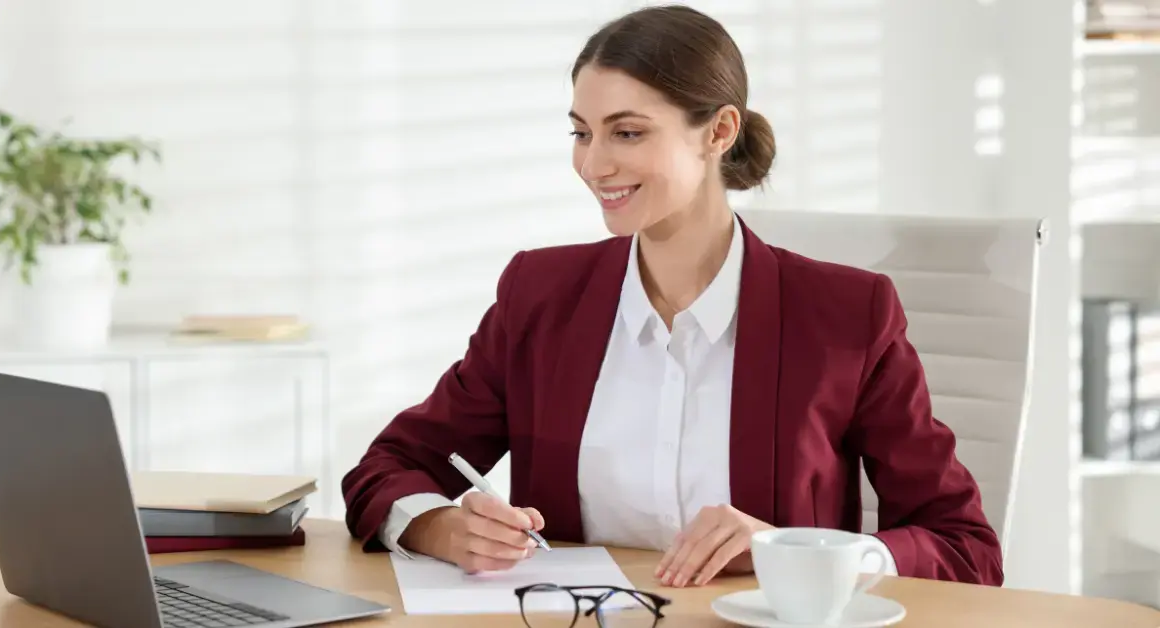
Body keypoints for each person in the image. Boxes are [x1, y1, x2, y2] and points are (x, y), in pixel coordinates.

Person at [341, 5, 1003, 588]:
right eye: (581, 132)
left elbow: (964, 546)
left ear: (718, 132)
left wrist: (794, 552)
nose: (594, 164)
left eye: (627, 133)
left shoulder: (847, 315)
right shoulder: (539, 297)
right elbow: (391, 466)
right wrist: (437, 525)